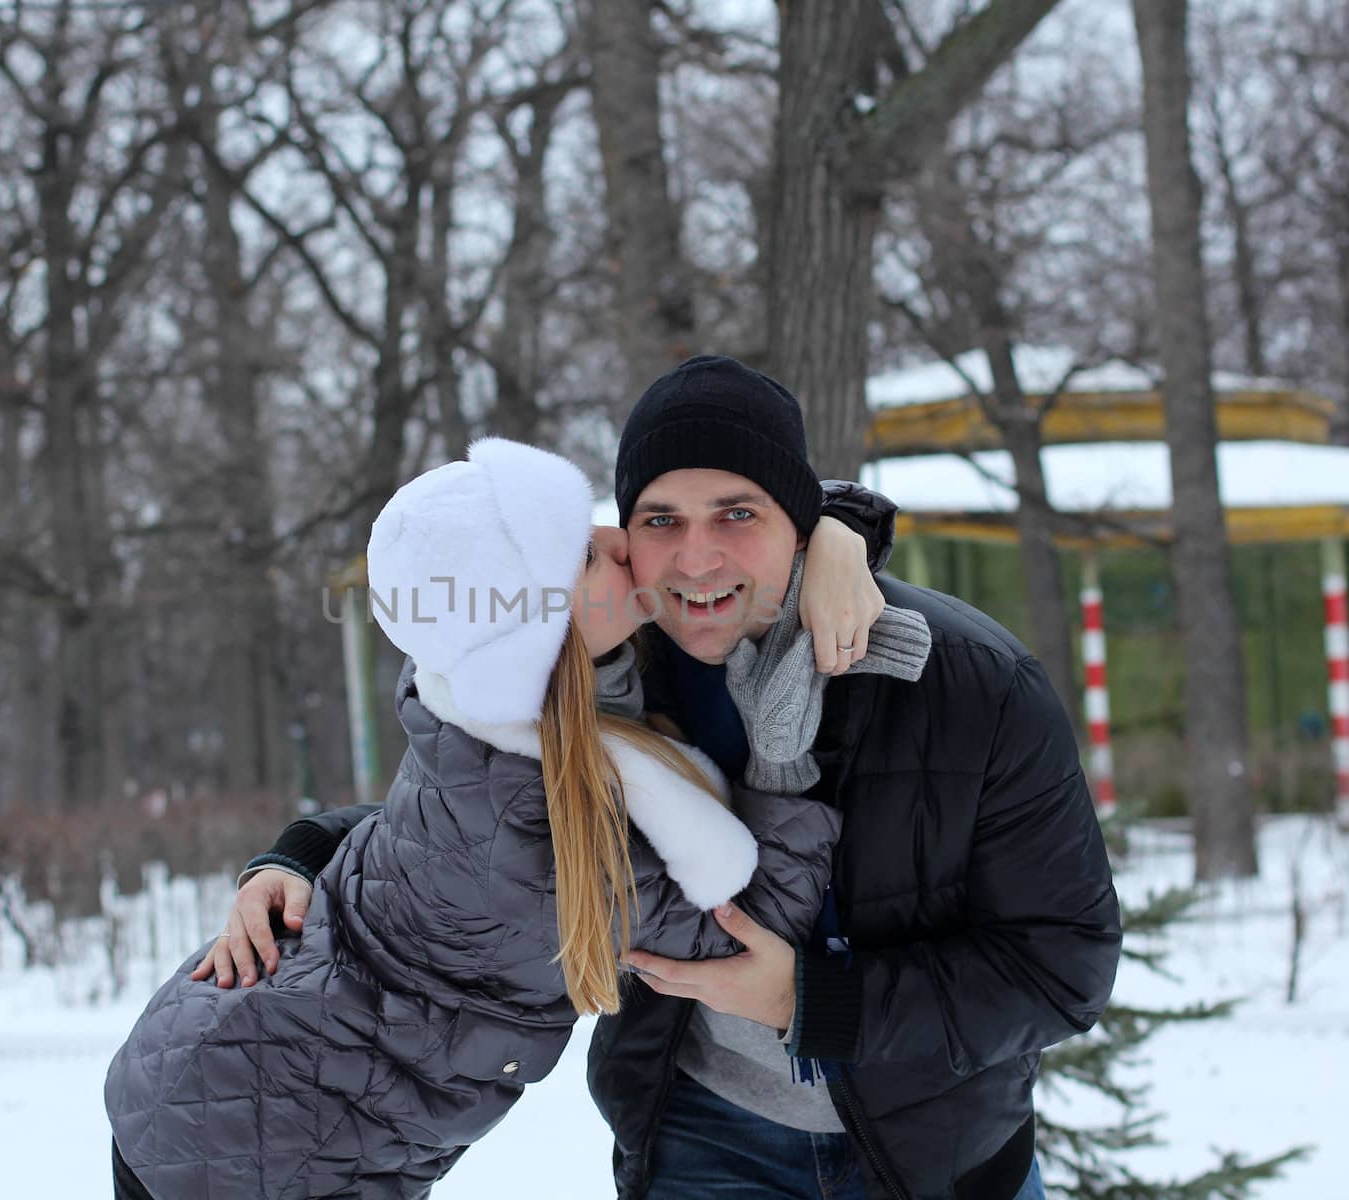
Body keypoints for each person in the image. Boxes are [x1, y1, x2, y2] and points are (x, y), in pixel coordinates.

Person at [218, 357, 1123, 1200]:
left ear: (800, 521)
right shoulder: (602, 658)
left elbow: (1063, 964)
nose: (696, 560)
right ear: (622, 534)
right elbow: (478, 818)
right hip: (699, 1139)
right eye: (661, 521)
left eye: (738, 513)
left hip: (936, 1156)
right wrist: (302, 857)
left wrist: (815, 1003)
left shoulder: (968, 682)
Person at [105, 437, 913, 1199]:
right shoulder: (544, 837)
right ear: (542, 637)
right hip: (261, 1147)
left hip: (227, 1063)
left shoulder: (474, 717)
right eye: (588, 554)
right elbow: (750, 924)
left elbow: (409, 837)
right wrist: (781, 759)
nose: (619, 535)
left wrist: (837, 533)